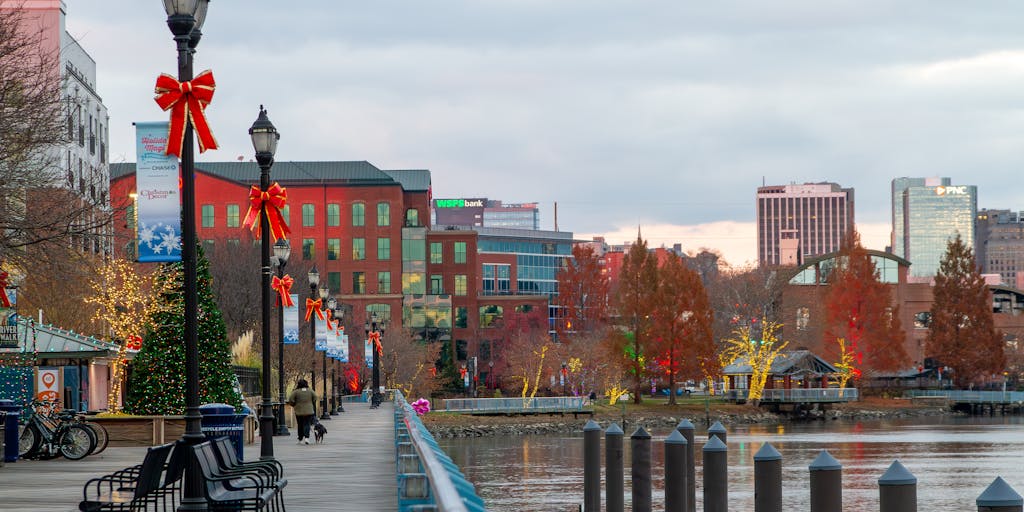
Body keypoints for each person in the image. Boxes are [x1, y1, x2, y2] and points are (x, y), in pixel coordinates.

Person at [287, 379, 317, 445]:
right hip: (309, 411)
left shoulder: (296, 392)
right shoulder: (310, 391)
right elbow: (315, 397)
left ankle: (300, 438)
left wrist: (294, 405)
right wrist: (310, 403)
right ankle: (307, 438)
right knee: (307, 424)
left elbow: (291, 399)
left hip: (299, 411)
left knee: (300, 425)